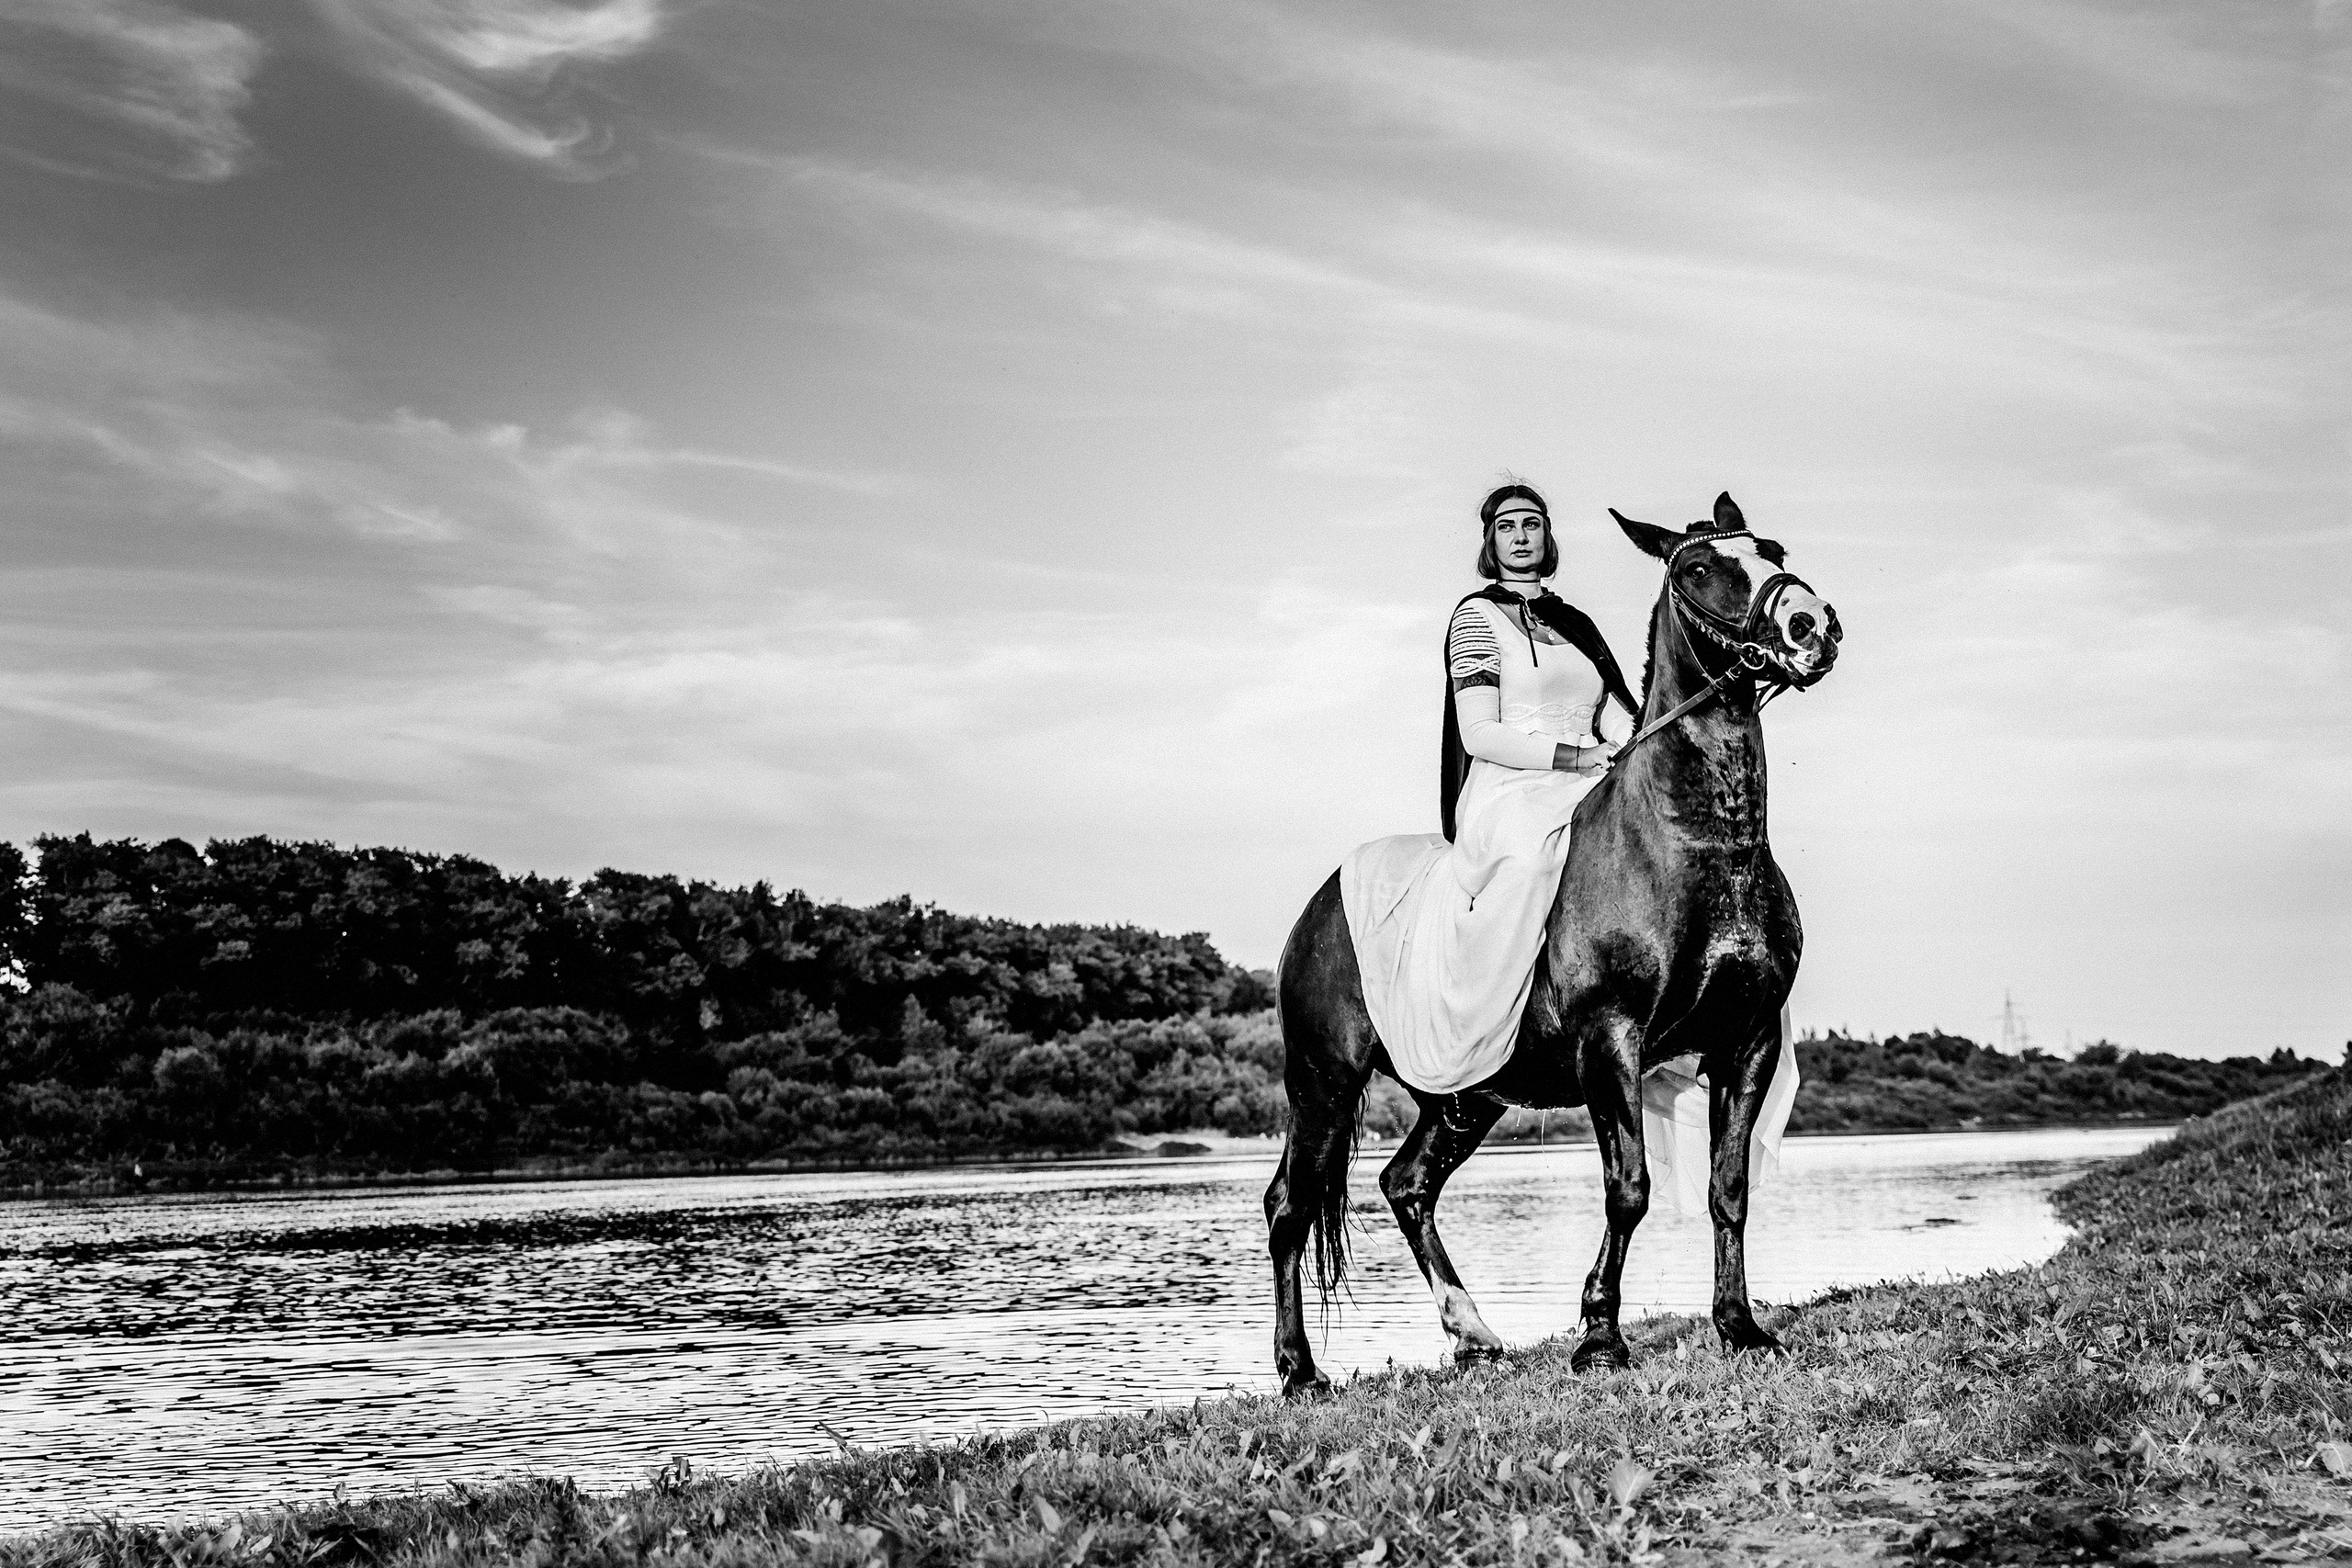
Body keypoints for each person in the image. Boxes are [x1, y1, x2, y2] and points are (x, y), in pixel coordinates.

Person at [1340, 482, 1640, 1096]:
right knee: (1529, 860)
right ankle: (1482, 1025)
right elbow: (1479, 733)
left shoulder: (1575, 624)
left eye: (1532, 523)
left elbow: (1608, 708)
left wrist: (1634, 740)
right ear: (1490, 541)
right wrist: (1577, 755)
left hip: (1588, 780)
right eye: (1507, 526)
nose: (1521, 536)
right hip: (1511, 789)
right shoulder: (1475, 618)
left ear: (1548, 536)